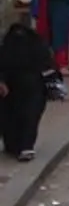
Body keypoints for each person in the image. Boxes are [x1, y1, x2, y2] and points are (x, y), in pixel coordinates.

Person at [0, 22, 58, 162]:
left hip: (12, 86)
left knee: (10, 115)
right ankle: (26, 146)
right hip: (34, 86)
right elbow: (48, 66)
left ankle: (15, 145)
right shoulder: (37, 45)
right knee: (30, 116)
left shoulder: (7, 46)